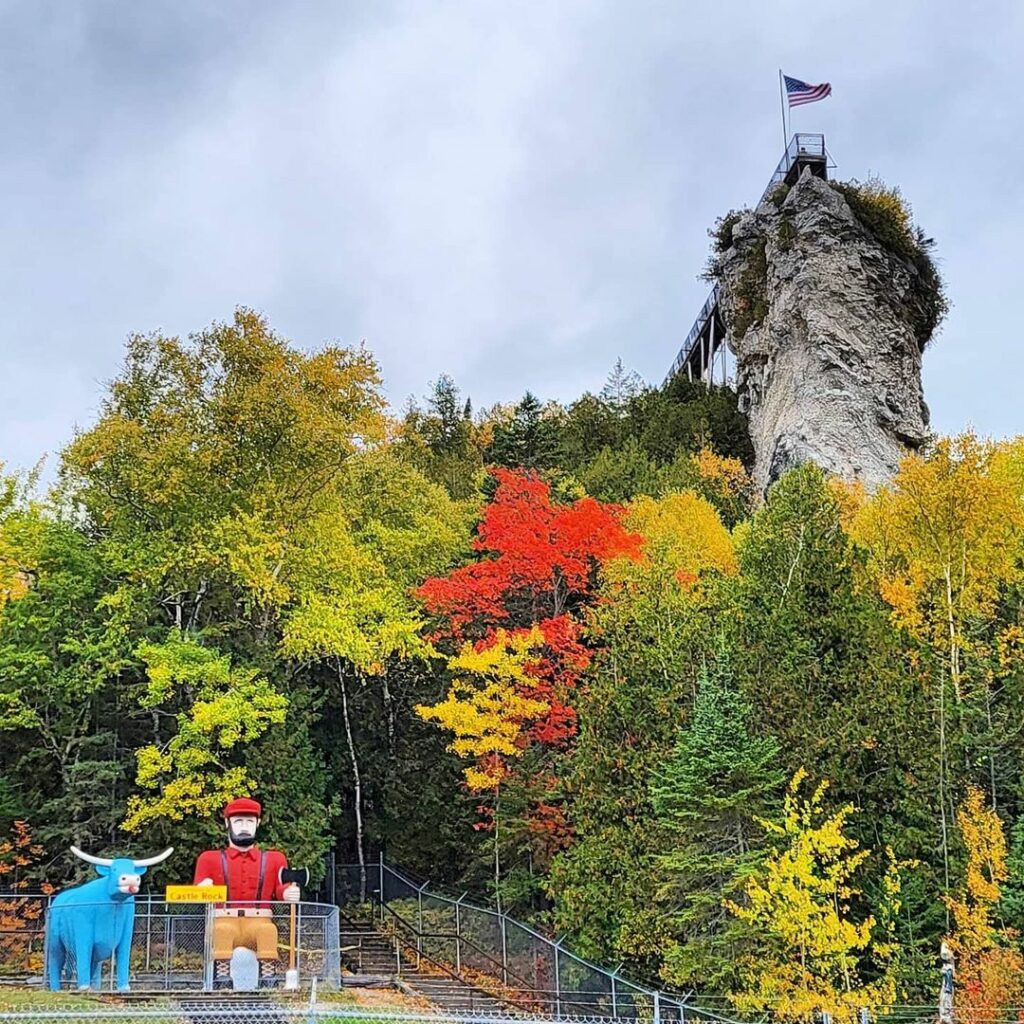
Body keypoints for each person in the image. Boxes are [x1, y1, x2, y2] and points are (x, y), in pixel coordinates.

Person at [193, 797, 300, 986]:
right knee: (221, 931)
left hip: (259, 919)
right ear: (228, 823)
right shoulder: (209, 859)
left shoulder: (275, 859)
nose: (244, 826)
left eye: (250, 821)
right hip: (223, 917)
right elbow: (196, 890)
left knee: (267, 931)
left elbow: (280, 888)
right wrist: (203, 889)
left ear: (257, 823)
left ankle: (267, 978)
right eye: (238, 821)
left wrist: (287, 893)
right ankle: (222, 979)